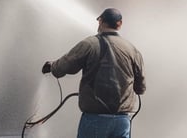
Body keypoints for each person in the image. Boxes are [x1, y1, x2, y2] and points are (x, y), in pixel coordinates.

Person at [42, 8, 146, 138]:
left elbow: (64, 66)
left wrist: (52, 66)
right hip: (122, 120)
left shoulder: (90, 44)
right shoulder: (132, 49)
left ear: (101, 21)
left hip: (95, 118)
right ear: (120, 24)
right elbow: (140, 87)